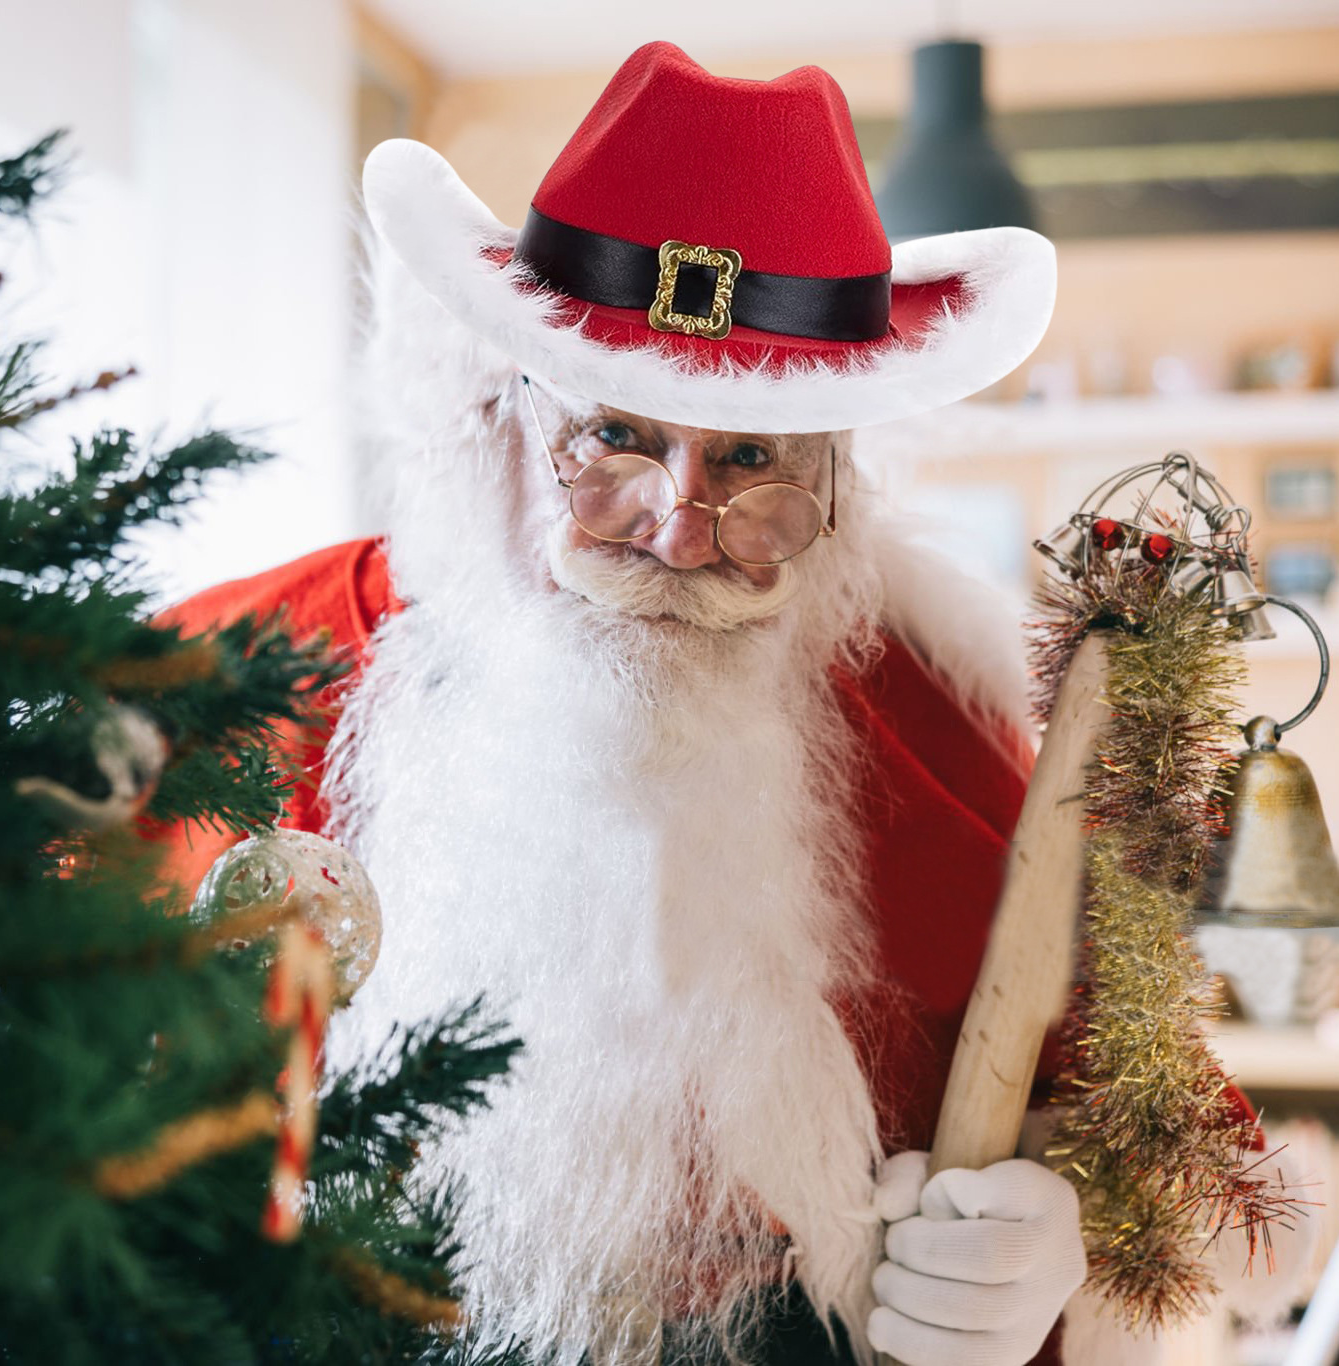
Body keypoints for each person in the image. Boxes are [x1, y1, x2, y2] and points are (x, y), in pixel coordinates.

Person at [161, 42, 1289, 1366]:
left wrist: (1054, 1232)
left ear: (837, 484)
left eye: (751, 459)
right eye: (614, 436)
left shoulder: (935, 721)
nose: (682, 531)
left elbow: (1197, 1164)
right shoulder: (233, 674)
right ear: (495, 416)